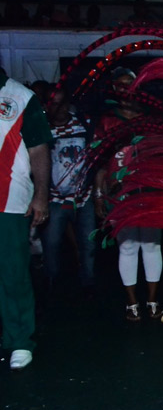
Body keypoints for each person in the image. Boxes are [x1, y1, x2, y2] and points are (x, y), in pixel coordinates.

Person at [94, 67, 163, 321]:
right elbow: (99, 162)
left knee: (152, 245)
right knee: (128, 247)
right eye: (120, 86)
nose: (125, 91)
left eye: (129, 85)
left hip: (149, 192)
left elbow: (162, 156)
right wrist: (99, 195)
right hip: (119, 193)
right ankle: (132, 302)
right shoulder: (106, 121)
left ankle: (153, 300)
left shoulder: (150, 118)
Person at [0, 68, 52, 370]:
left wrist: (41, 196)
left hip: (9, 201)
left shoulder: (21, 97)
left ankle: (20, 341)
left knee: (12, 273)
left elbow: (39, 149)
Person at [40, 87, 97, 293]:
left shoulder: (83, 124)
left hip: (83, 197)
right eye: (55, 104)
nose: (60, 109)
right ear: (48, 106)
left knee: (88, 243)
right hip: (55, 199)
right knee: (51, 243)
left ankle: (88, 282)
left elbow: (96, 155)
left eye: (63, 103)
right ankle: (51, 281)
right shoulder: (43, 129)